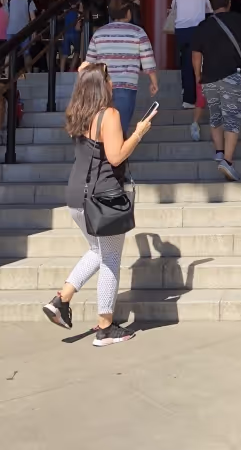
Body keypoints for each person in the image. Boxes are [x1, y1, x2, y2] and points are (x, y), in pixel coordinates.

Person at [42, 62, 155, 345]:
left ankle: (61, 299)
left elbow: (84, 82)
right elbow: (116, 157)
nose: (113, 84)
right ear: (100, 85)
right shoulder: (109, 115)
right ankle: (105, 327)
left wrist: (85, 72)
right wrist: (139, 132)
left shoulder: (77, 113)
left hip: (76, 196)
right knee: (111, 259)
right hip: (102, 197)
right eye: (109, 79)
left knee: (96, 250)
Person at [191, 0, 241, 181]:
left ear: (210, 5)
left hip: (209, 79)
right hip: (232, 75)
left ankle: (219, 152)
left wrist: (198, 75)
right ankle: (228, 162)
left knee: (215, 116)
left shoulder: (203, 26)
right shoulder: (240, 21)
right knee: (232, 117)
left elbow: (196, 55)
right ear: (229, 2)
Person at [85, 0, 158, 135]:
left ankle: (105, 155)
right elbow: (147, 58)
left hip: (102, 87)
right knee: (120, 129)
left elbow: (89, 63)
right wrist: (154, 82)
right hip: (126, 87)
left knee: (102, 130)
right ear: (128, 12)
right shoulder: (138, 32)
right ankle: (117, 155)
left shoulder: (99, 33)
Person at [171, 0, 212, 110]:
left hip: (181, 30)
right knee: (198, 63)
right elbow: (210, 8)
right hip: (196, 28)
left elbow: (173, 9)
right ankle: (195, 96)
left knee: (186, 63)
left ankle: (187, 96)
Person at [48, 0, 81, 73]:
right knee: (75, 51)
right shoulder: (71, 6)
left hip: (66, 31)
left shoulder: (64, 4)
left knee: (66, 52)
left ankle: (63, 71)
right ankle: (68, 70)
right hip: (67, 31)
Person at [6, 0, 36, 73]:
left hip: (24, 32)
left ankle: (29, 74)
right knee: (8, 54)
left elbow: (33, 18)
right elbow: (7, 17)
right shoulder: (9, 1)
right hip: (11, 32)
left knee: (26, 53)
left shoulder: (28, 1)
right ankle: (7, 75)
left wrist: (34, 31)